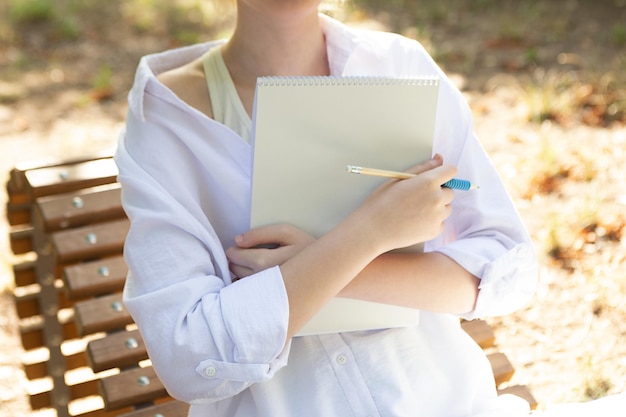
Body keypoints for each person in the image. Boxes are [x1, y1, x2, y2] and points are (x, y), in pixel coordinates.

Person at [114, 1, 540, 416]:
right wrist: (369, 233)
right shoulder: (166, 116)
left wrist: (324, 267)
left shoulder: (397, 65)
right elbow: (189, 358)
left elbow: (508, 271)